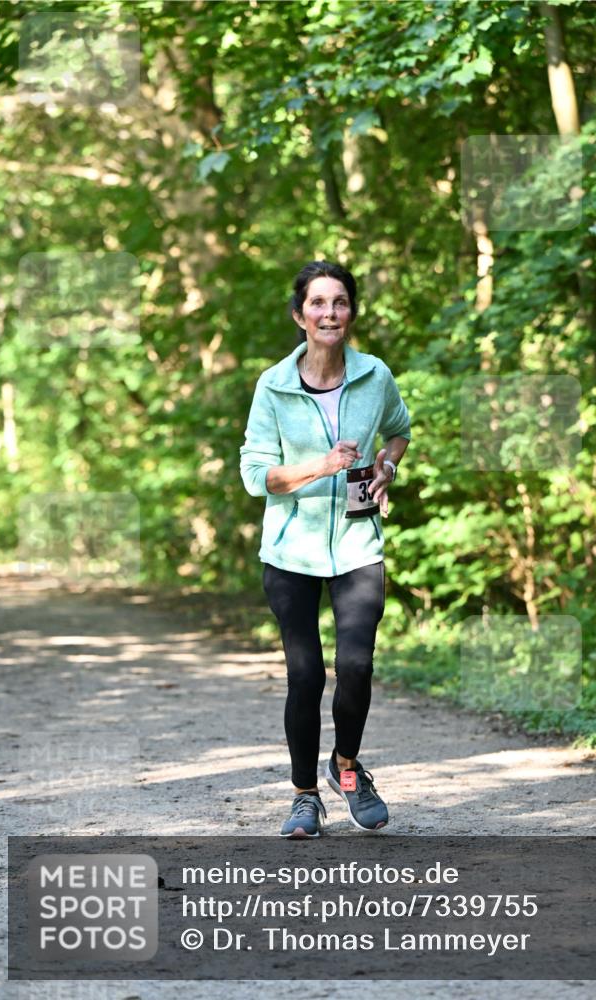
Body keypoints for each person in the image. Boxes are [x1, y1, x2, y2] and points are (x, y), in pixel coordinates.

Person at [239, 260, 411, 838]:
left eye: (339, 302)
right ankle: (304, 797)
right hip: (292, 550)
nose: (329, 312)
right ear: (299, 315)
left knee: (356, 664)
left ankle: (347, 767)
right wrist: (325, 464)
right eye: (318, 303)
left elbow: (399, 430)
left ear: (351, 313)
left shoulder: (374, 375)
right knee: (306, 675)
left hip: (358, 543)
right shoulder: (274, 385)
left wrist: (386, 464)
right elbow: (255, 474)